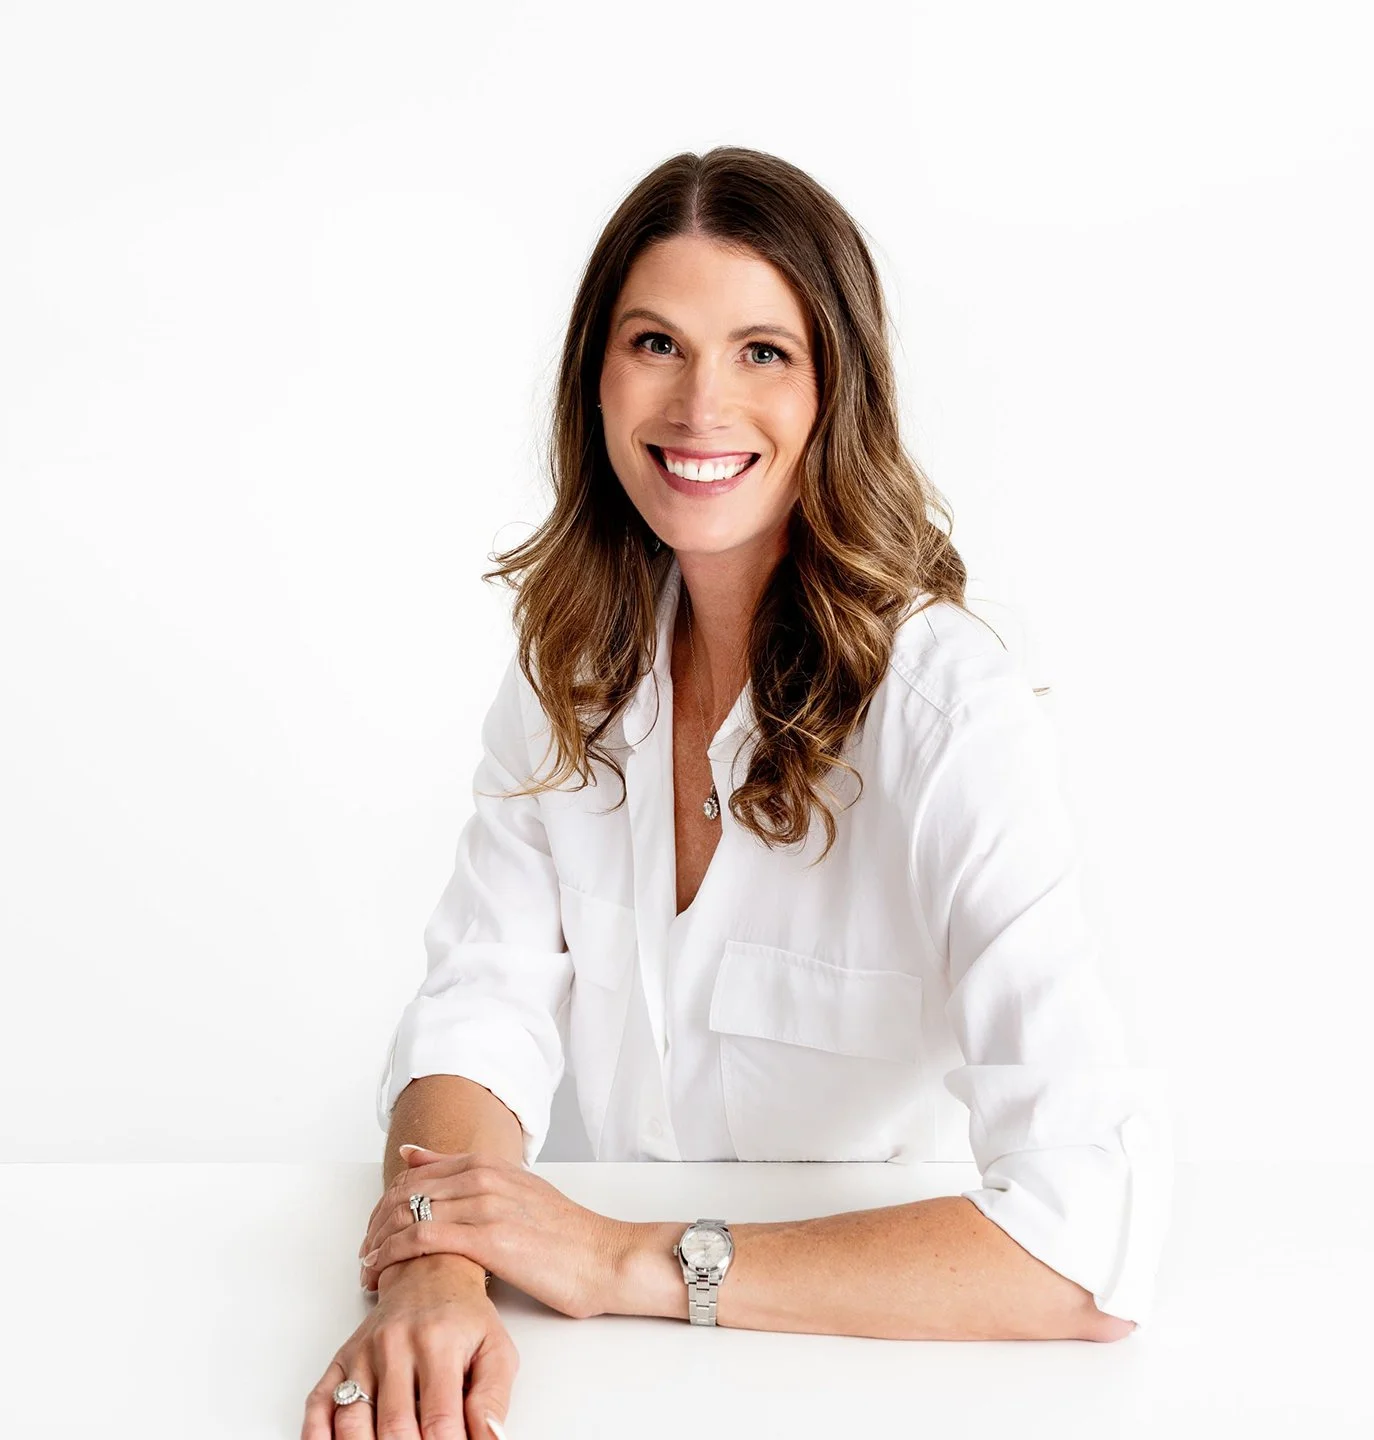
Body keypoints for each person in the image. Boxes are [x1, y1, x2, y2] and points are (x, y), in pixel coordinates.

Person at [302, 146, 1174, 1439]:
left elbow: (1086, 1246)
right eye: (657, 341)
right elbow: (479, 1008)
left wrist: (619, 1261)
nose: (703, 404)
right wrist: (437, 1261)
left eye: (764, 351)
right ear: (595, 381)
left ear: (837, 391)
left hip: (894, 1363)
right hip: (615, 1380)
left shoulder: (948, 709)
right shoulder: (572, 666)